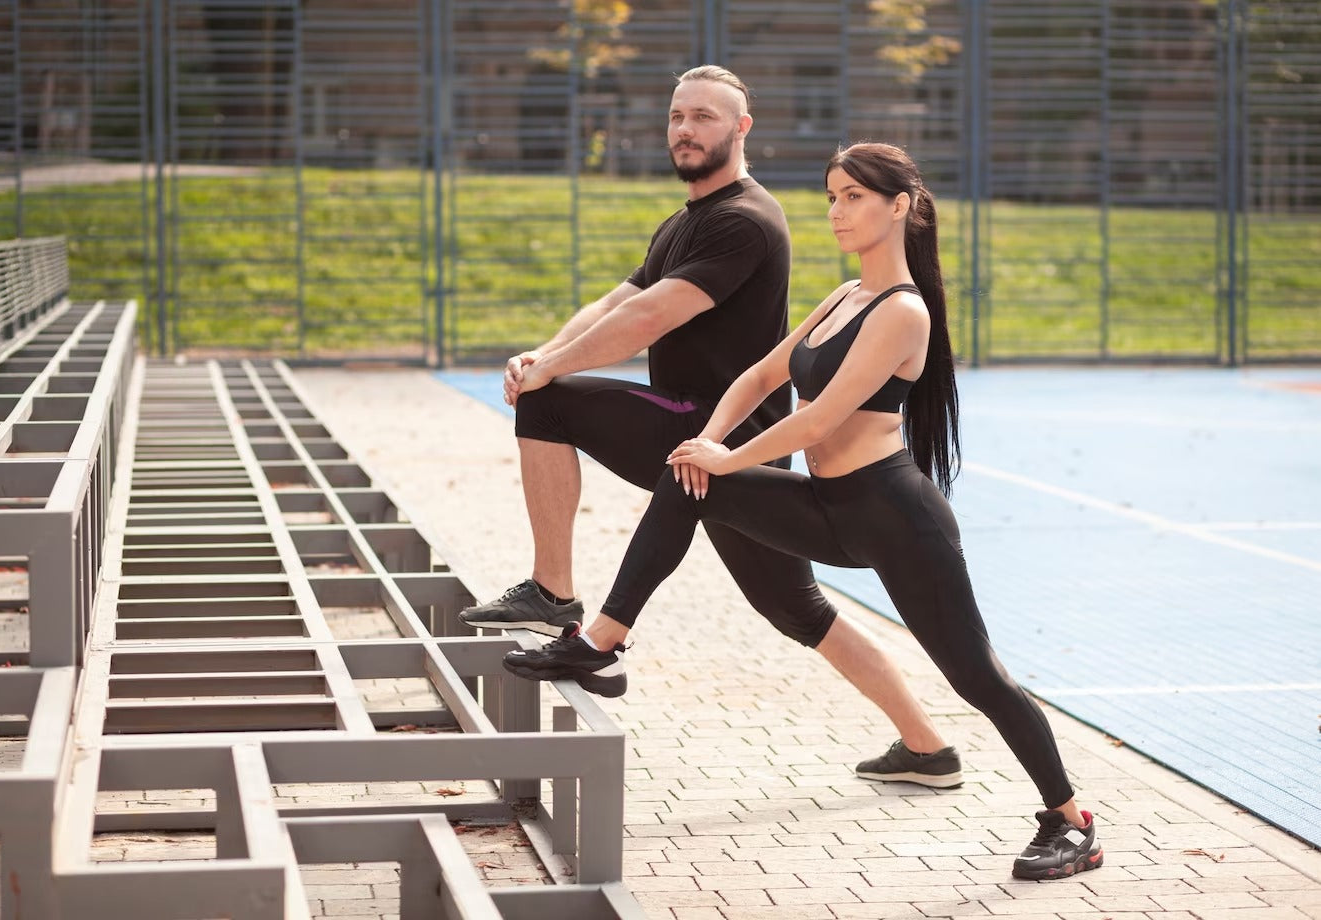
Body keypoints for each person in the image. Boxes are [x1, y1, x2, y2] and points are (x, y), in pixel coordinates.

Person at [503, 141, 1105, 881]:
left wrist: (730, 459)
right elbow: (760, 375)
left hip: (894, 517)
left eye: (853, 196)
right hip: (827, 508)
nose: (836, 211)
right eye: (831, 196)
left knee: (977, 677)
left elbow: (819, 421)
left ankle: (1069, 818)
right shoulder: (844, 296)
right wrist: (710, 441)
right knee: (685, 473)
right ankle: (602, 640)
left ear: (900, 207)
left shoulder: (902, 312)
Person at [460, 66, 963, 789]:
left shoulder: (744, 219)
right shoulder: (688, 220)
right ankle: (928, 747)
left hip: (714, 432)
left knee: (552, 404)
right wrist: (545, 353)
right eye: (676, 117)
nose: (686, 130)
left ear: (740, 128)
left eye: (703, 117)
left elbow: (650, 317)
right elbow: (618, 299)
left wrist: (548, 375)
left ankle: (553, 592)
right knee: (797, 607)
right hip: (702, 442)